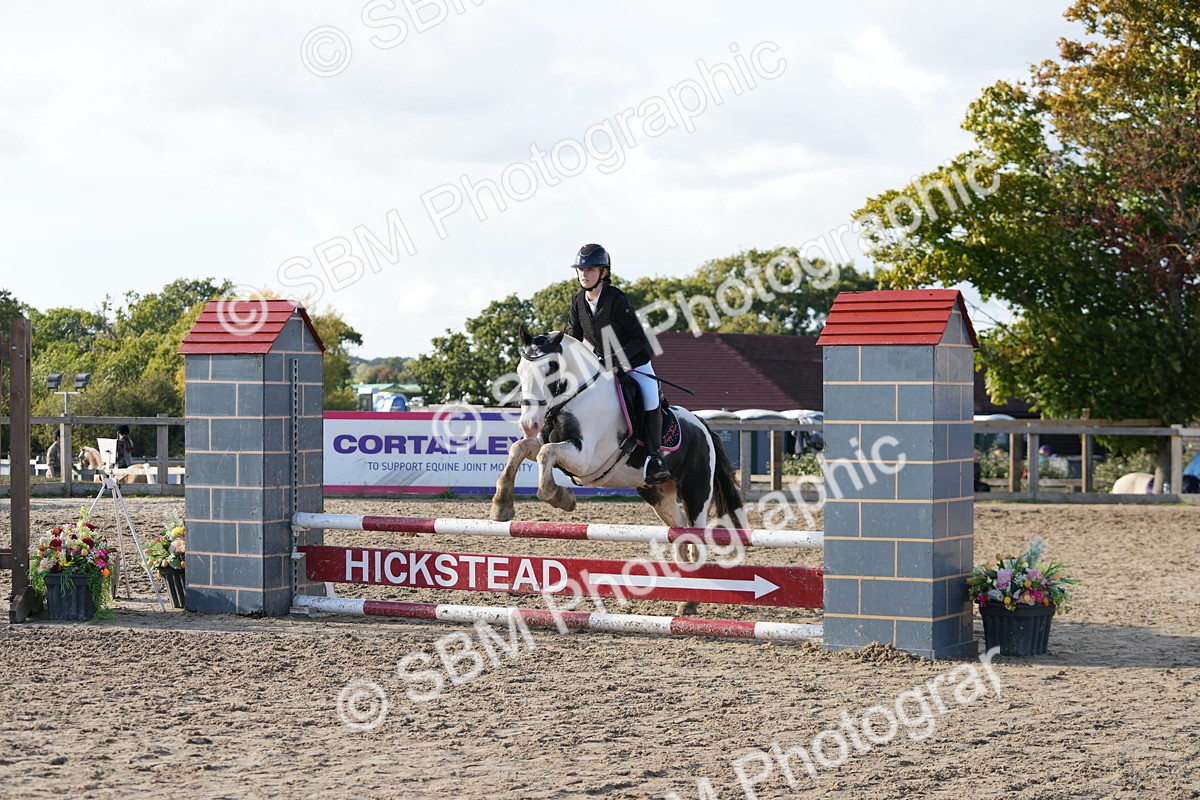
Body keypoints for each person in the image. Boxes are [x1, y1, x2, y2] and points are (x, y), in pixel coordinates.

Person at [566, 243, 670, 484]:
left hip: (634, 361)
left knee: (650, 395)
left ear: (603, 272)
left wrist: (612, 360)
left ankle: (655, 458)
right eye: (581, 269)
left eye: (590, 269)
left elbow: (639, 340)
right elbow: (573, 338)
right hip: (601, 365)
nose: (584, 273)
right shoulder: (577, 301)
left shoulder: (617, 299)